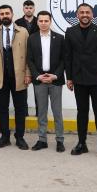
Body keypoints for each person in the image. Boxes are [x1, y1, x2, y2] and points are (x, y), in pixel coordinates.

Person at [65, 3, 97, 159]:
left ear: (92, 15)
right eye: (81, 12)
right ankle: (82, 143)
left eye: (87, 12)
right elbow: (68, 56)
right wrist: (69, 77)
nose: (84, 15)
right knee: (82, 112)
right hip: (79, 79)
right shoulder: (70, 32)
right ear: (77, 15)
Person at [0, 5, 31, 150]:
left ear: (12, 14)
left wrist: (28, 74)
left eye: (7, 13)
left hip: (19, 76)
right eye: (2, 14)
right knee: (2, 108)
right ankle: (4, 136)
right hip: (0, 76)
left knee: (20, 109)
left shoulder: (23, 32)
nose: (5, 15)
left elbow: (29, 55)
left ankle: (20, 137)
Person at [26, 10, 66, 152]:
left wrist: (55, 75)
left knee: (57, 112)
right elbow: (29, 59)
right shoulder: (32, 38)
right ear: (37, 22)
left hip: (55, 80)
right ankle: (42, 140)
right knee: (41, 112)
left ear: (50, 22)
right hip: (40, 80)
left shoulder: (59, 38)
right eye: (41, 21)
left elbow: (63, 59)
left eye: (46, 21)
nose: (43, 23)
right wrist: (37, 76)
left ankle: (60, 140)